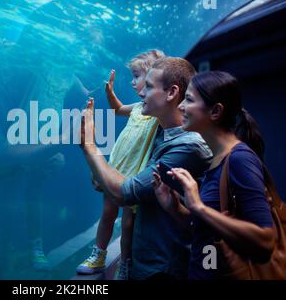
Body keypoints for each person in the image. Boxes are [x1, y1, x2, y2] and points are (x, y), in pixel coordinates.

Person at [79, 57, 212, 280]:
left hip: (164, 269)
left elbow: (125, 193)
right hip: (149, 262)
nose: (141, 93)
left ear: (171, 93)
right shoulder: (158, 131)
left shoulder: (188, 146)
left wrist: (89, 146)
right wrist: (103, 173)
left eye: (148, 87)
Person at [152, 71, 275, 279]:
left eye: (189, 100)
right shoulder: (217, 158)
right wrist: (175, 208)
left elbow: (265, 241)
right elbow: (206, 231)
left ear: (215, 111)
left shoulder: (239, 159)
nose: (181, 106)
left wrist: (199, 206)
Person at [76, 50, 164, 279]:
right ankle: (98, 255)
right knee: (106, 214)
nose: (133, 81)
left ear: (154, 77)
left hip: (133, 176)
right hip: (115, 168)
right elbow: (117, 109)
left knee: (127, 224)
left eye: (137, 76)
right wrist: (110, 93)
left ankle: (125, 264)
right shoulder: (138, 107)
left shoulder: (156, 112)